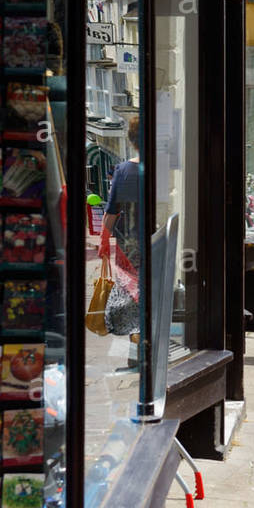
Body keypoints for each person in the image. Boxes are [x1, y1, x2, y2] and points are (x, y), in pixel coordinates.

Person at [101, 115, 143, 367]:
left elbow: (112, 211)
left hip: (129, 244)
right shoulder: (163, 170)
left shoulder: (125, 171)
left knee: (131, 294)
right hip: (159, 240)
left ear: (132, 140)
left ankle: (135, 350)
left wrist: (104, 242)